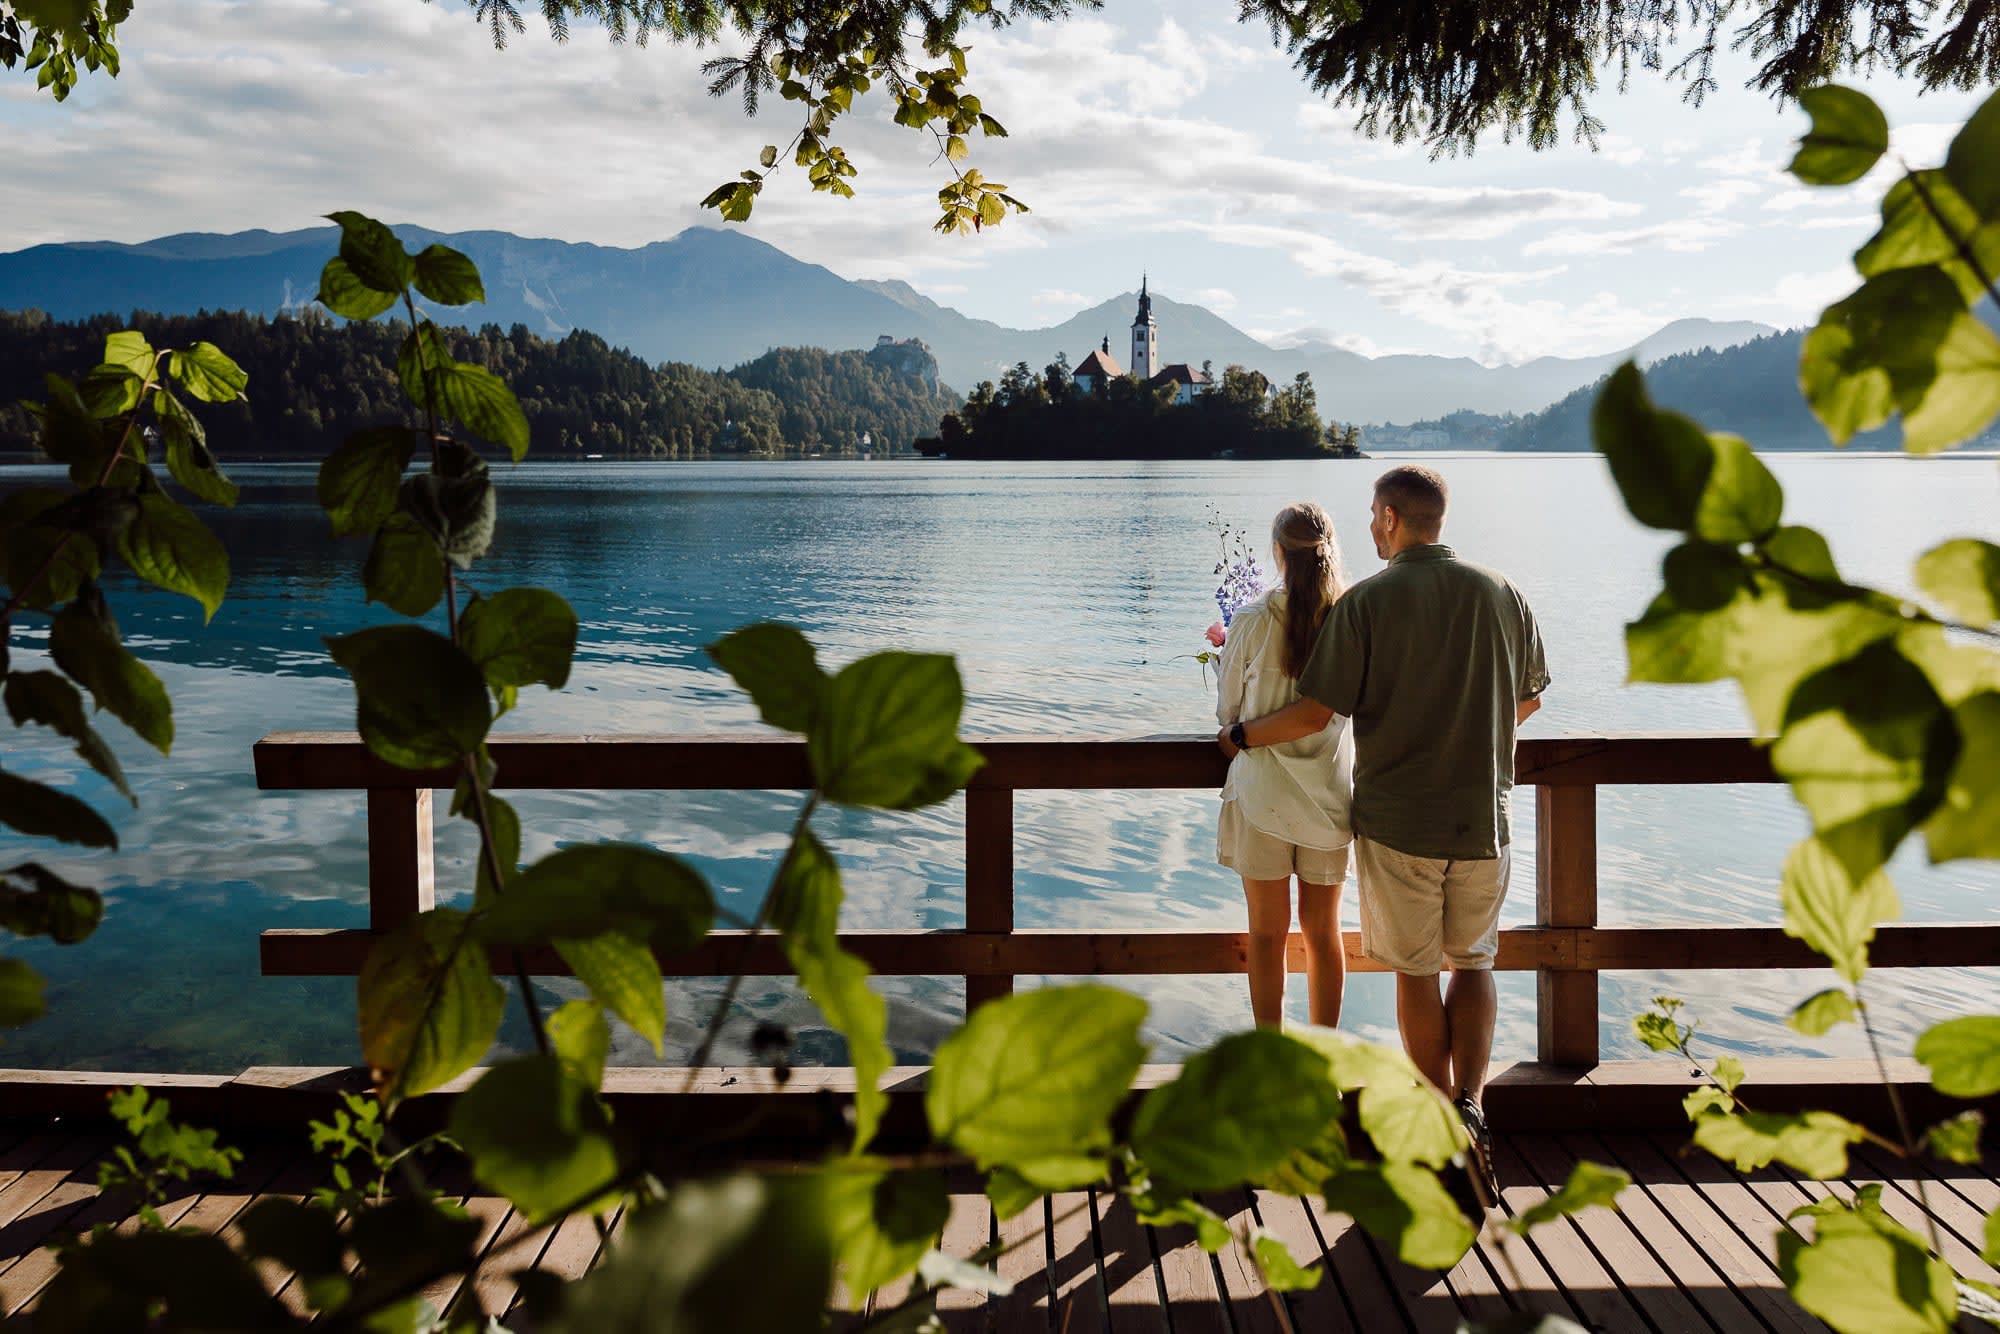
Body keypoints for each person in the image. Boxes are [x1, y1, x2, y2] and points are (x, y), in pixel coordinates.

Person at [1218, 465, 1549, 1210]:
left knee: (1414, 973)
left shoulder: (1369, 601)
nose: (1369, 526)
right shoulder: (1504, 592)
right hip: (1484, 814)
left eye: (1375, 514)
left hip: (1400, 819)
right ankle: (1473, 1108)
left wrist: (1237, 733)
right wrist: (1472, 737)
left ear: (1394, 518)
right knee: (1475, 964)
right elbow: (1526, 699)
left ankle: (1437, 1133)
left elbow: (1315, 712)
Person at [1213, 502, 1354, 1029]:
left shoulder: (1250, 621)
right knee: (1324, 934)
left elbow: (1227, 714)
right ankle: (1325, 1062)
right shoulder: (1350, 618)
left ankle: (1272, 1061)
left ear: (1277, 552)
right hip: (1329, 799)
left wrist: (1240, 731)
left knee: (1266, 935)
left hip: (1262, 795)